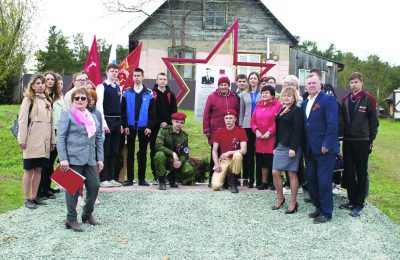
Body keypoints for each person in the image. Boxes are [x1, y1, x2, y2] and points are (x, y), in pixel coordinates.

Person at [57, 88, 104, 232]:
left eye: (83, 98)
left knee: (94, 186)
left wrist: (100, 159)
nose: (80, 100)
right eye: (77, 98)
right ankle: (71, 219)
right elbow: (61, 137)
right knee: (72, 189)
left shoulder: (93, 117)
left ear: (88, 101)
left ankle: (87, 213)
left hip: (90, 158)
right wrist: (63, 158)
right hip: (72, 159)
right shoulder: (67, 115)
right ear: (72, 100)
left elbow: (99, 139)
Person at [340, 72, 379, 217]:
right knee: (349, 171)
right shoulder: (345, 99)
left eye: (356, 82)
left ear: (361, 82)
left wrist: (371, 140)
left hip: (363, 141)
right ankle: (351, 200)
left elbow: (374, 123)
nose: (353, 85)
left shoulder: (369, 99)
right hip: (348, 141)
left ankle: (359, 203)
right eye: (351, 82)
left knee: (361, 172)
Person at [302, 74, 339, 224]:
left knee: (324, 181)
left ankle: (326, 212)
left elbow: (332, 124)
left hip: (324, 149)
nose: (311, 85)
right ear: (306, 86)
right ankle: (318, 208)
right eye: (309, 83)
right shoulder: (305, 103)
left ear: (320, 84)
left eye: (314, 83)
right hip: (310, 149)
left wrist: (327, 144)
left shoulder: (328, 100)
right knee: (311, 180)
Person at [18, 74, 56, 209]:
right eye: (38, 83)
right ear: (32, 85)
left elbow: (51, 122)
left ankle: (35, 196)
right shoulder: (29, 99)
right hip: (31, 139)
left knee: (39, 169)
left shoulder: (48, 100)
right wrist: (22, 139)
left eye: (42, 83)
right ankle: (27, 198)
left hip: (44, 141)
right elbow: (22, 121)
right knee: (28, 169)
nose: (41, 85)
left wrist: (53, 140)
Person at [121, 67, 156, 186]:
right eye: (135, 76)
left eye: (138, 75)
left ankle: (141, 179)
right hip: (130, 127)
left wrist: (149, 126)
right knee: (130, 152)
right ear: (133, 77)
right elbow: (123, 110)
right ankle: (130, 179)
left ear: (143, 77)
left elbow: (152, 112)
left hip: (144, 127)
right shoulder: (126, 92)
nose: (136, 78)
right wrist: (125, 125)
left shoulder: (149, 93)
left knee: (142, 153)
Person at [271, 86, 303, 214]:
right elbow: (278, 130)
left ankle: (293, 202)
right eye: (284, 95)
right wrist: (275, 146)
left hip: (292, 147)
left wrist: (293, 148)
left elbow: (297, 130)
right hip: (280, 146)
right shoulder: (282, 110)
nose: (286, 97)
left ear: (294, 97)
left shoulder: (297, 111)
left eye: (289, 95)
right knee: (275, 172)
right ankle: (280, 198)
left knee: (291, 174)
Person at [203, 76, 239, 187]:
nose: (223, 87)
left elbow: (237, 112)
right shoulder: (212, 97)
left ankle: (227, 180)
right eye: (221, 85)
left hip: (230, 131)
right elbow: (206, 114)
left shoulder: (234, 97)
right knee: (215, 153)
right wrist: (206, 129)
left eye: (225, 85)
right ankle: (212, 178)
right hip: (215, 131)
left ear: (229, 85)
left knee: (229, 155)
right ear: (218, 86)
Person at [250, 85, 283, 190]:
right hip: (259, 138)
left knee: (272, 160)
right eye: (263, 92)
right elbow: (253, 121)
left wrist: (269, 132)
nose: (264, 94)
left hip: (271, 138)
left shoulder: (278, 105)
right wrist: (257, 131)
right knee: (262, 161)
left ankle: (273, 182)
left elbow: (277, 122)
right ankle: (263, 182)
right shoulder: (258, 105)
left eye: (266, 93)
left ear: (272, 95)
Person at [39, 71, 64, 200]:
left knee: (51, 161)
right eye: (47, 79)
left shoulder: (58, 96)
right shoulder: (40, 96)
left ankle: (47, 187)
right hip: (44, 132)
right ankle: (40, 190)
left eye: (51, 79)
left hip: (57, 131)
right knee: (44, 162)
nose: (49, 81)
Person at [96, 64, 123, 188]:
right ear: (107, 72)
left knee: (114, 150)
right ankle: (103, 178)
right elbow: (99, 106)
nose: (114, 73)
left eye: (116, 71)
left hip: (117, 122)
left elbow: (119, 106)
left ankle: (112, 177)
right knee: (105, 150)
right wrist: (104, 123)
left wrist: (121, 124)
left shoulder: (118, 87)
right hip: (107, 120)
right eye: (112, 71)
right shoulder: (101, 87)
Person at [150, 72, 178, 185]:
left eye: (164, 79)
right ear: (156, 81)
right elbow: (151, 111)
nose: (162, 81)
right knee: (154, 151)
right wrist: (158, 122)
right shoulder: (152, 94)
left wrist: (167, 122)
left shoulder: (171, 94)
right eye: (160, 79)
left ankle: (166, 175)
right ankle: (155, 175)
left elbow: (174, 111)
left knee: (167, 151)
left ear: (167, 81)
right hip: (155, 128)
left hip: (168, 128)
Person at [154, 112, 194, 190]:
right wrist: (173, 153)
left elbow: (185, 153)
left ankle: (172, 177)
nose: (179, 124)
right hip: (164, 158)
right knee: (159, 155)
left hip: (175, 161)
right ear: (172, 121)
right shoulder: (164, 130)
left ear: (183, 124)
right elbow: (158, 146)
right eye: (176, 122)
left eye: (181, 123)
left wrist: (180, 162)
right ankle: (162, 180)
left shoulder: (184, 136)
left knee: (189, 170)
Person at [211, 109, 247, 193]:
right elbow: (214, 150)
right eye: (226, 118)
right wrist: (216, 164)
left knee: (237, 155)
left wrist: (229, 152)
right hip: (224, 160)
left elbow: (244, 150)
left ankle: (234, 183)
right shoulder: (219, 131)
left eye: (230, 118)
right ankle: (225, 180)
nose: (228, 120)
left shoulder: (241, 131)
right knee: (216, 186)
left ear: (235, 119)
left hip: (235, 159)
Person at [239, 72, 261, 188]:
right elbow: (241, 111)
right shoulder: (243, 94)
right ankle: (250, 179)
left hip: (259, 126)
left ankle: (259, 179)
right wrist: (240, 125)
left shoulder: (262, 93)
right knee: (248, 153)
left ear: (258, 80)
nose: (252, 80)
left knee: (258, 153)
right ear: (248, 80)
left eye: (255, 78)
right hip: (247, 126)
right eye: (251, 78)